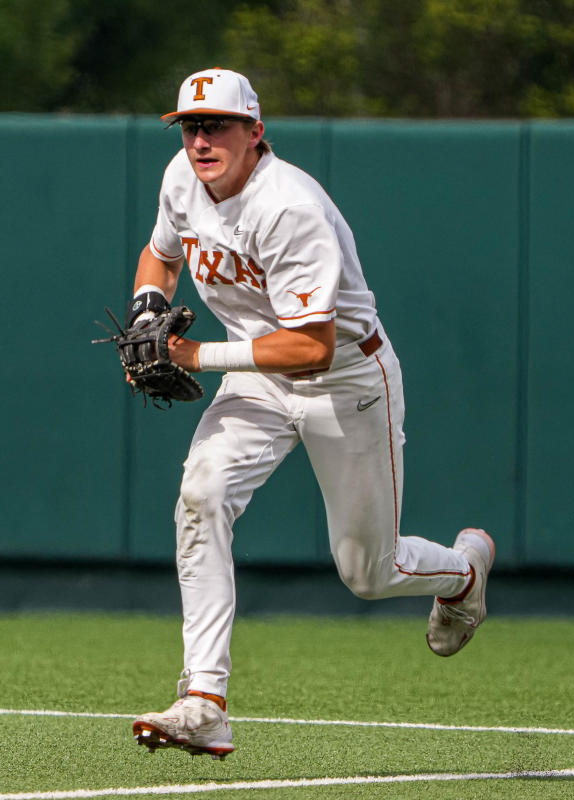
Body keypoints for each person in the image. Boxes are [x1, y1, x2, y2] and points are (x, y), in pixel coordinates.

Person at [128, 68, 495, 760]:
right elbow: (161, 253)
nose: (202, 139)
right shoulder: (182, 176)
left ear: (255, 132)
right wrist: (149, 305)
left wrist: (193, 357)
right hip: (256, 371)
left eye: (218, 125)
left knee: (368, 573)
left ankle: (465, 574)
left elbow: (310, 345)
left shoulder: (288, 206)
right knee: (201, 496)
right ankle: (204, 700)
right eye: (191, 125)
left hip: (344, 377)